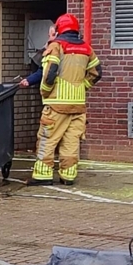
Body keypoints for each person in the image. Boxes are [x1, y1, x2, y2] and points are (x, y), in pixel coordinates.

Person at [27, 14, 103, 187]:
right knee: (71, 141)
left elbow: (50, 72)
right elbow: (97, 73)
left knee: (48, 139)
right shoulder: (87, 48)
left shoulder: (57, 46)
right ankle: (68, 176)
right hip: (77, 105)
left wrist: (45, 92)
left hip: (56, 104)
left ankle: (42, 175)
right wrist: (81, 86)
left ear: (60, 29)